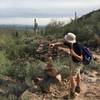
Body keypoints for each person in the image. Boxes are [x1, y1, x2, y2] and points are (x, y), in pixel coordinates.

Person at [51, 32, 83, 99]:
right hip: (75, 62)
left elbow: (80, 58)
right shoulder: (70, 44)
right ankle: (78, 88)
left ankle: (72, 93)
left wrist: (73, 53)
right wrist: (54, 44)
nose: (66, 41)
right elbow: (62, 44)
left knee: (72, 77)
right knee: (78, 74)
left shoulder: (78, 46)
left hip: (77, 63)